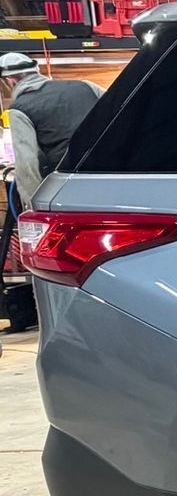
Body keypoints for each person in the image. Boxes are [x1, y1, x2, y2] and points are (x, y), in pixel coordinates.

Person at [2, 51, 104, 333]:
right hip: (110, 181)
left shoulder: (21, 108)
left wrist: (33, 212)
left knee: (68, 266)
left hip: (69, 193)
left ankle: (73, 326)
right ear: (37, 70)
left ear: (9, 81)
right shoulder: (85, 86)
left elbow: (27, 166)